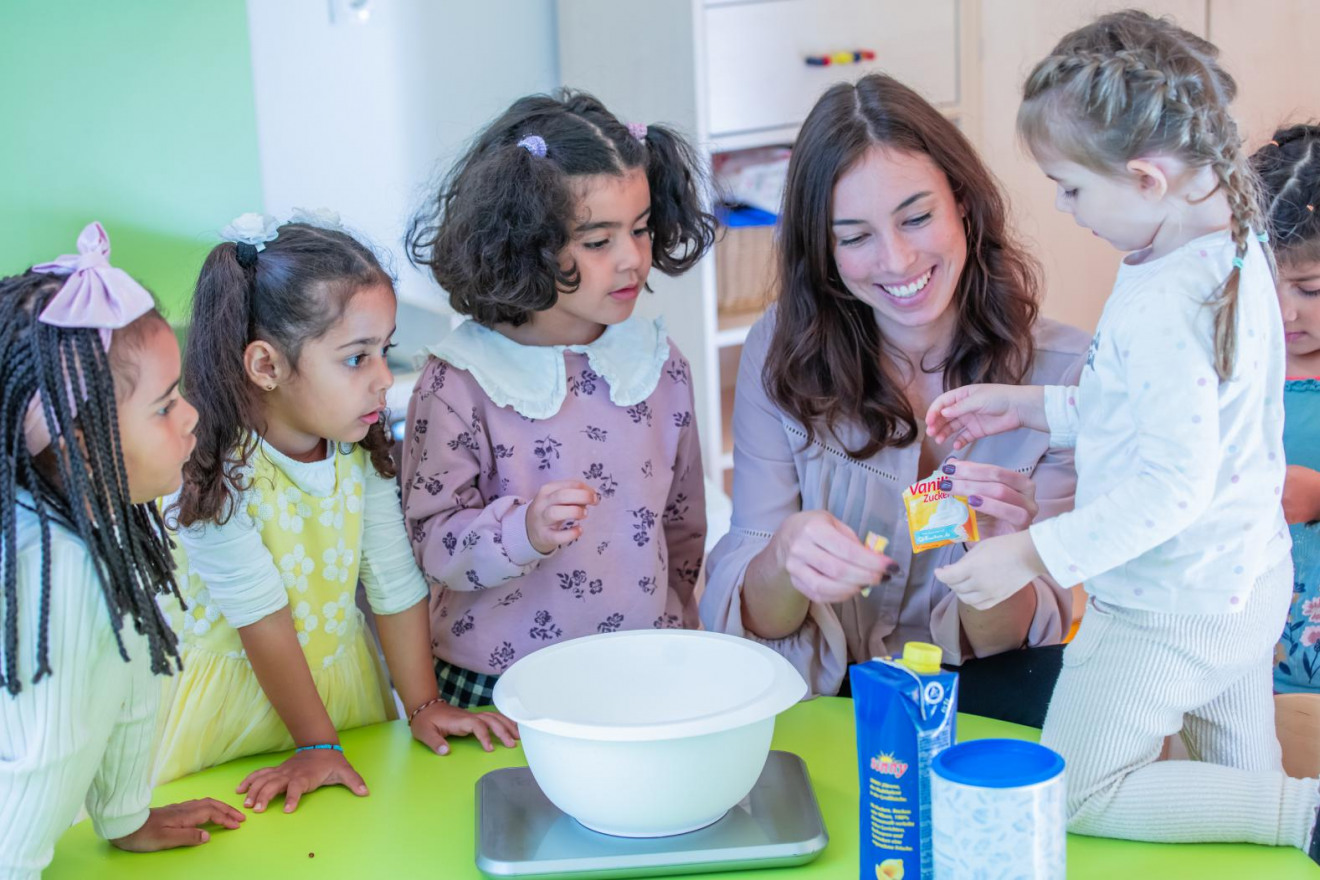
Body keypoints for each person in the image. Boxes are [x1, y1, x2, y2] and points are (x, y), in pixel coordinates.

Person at [927, 11, 1320, 854]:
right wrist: (1032, 406)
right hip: (1244, 581)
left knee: (1081, 791)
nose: (1065, 208)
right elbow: (1165, 418)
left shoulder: (1167, 304)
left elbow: (1170, 486)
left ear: (1145, 177)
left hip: (1166, 603)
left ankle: (1304, 814)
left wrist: (1030, 554)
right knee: (1238, 776)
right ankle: (1285, 822)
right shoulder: (1230, 244)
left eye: (1070, 187)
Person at [698, 73, 1089, 726]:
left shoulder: (1063, 379)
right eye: (854, 237)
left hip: (988, 698)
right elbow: (756, 624)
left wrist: (999, 556)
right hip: (825, 699)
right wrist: (785, 557)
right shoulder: (780, 349)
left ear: (962, 202)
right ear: (821, 252)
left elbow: (1013, 648)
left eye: (916, 217)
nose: (898, 259)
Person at [155, 214, 516, 812]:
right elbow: (260, 618)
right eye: (356, 358)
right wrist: (316, 741)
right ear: (266, 366)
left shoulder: (355, 450)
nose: (383, 378)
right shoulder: (213, 474)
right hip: (232, 711)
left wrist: (422, 704)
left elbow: (395, 582)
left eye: (385, 350)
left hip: (338, 690)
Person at [402, 90, 716, 707]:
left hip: (640, 670)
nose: (631, 258)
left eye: (642, 228)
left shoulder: (659, 364)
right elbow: (432, 544)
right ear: (524, 242)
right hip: (494, 687)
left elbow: (683, 525)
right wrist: (523, 531)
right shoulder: (459, 380)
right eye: (598, 241)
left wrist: (682, 636)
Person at [0, 223, 244, 876]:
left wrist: (126, 814)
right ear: (83, 442)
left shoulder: (116, 525)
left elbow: (132, 681)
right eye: (165, 406)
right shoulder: (58, 567)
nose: (191, 415)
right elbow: (41, 754)